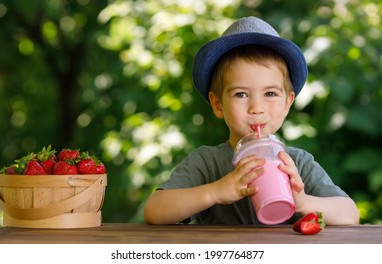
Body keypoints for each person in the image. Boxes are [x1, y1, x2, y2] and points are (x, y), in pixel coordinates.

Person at [144, 16, 359, 225]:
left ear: (287, 103)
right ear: (218, 104)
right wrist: (216, 191)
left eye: (270, 94)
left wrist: (303, 201)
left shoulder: (297, 164)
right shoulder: (206, 163)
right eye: (241, 94)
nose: (256, 108)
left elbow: (350, 215)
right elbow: (154, 211)